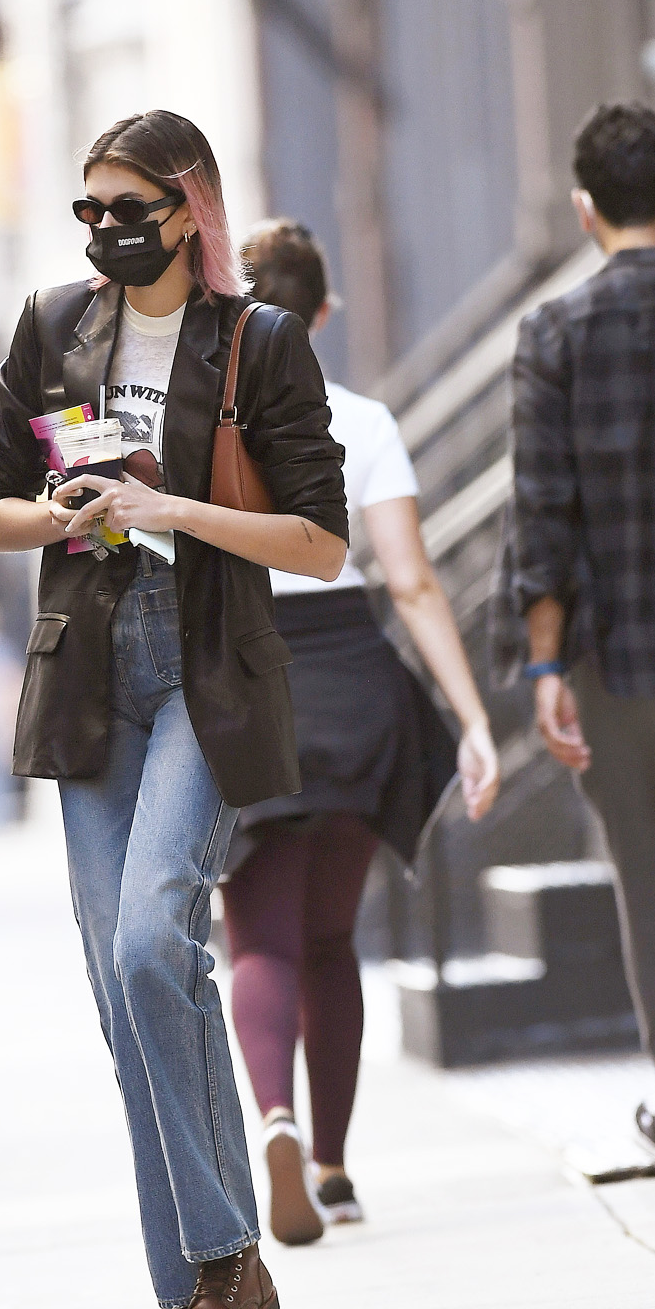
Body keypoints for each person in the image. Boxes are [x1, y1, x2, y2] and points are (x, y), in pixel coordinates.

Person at [0, 111, 349, 1309]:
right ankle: (189, 1275)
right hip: (88, 673)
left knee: (150, 944)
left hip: (205, 666)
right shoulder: (50, 327)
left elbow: (321, 541)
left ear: (190, 210)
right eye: (88, 212)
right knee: (117, 985)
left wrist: (166, 503)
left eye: (128, 210)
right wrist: (67, 514)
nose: (106, 234)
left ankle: (229, 1261)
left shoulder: (258, 343)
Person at [222, 222, 500, 1245]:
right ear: (323, 315)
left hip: (253, 682)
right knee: (333, 936)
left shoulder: (207, 426)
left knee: (257, 937)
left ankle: (278, 1122)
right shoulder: (361, 419)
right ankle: (334, 1170)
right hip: (357, 683)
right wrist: (469, 719)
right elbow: (412, 581)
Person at [509, 102, 655, 1177]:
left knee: (649, 878)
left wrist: (541, 666)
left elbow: (542, 513)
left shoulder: (553, 333)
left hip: (617, 662)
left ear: (582, 210)